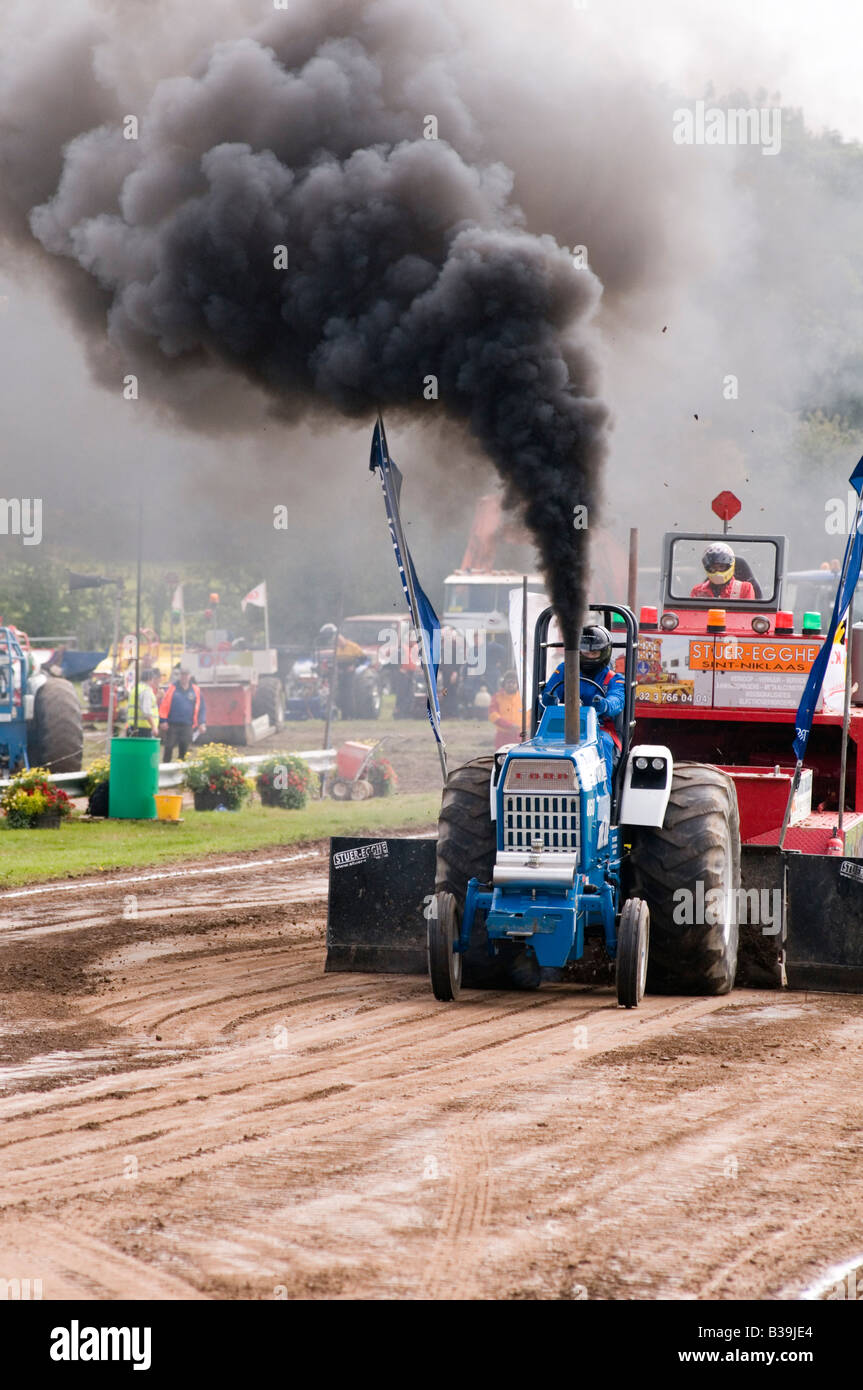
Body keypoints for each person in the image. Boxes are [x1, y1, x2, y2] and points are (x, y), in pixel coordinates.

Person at [541, 625, 625, 785]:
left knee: (604, 744)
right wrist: (549, 700)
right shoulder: (565, 669)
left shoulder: (614, 679)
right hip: (561, 726)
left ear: (604, 653)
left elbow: (617, 701)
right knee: (542, 746)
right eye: (586, 652)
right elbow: (548, 692)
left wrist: (605, 705)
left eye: (594, 653)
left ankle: (604, 795)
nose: (589, 656)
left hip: (599, 729)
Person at [159, 667, 206, 761]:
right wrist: (163, 720)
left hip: (188, 725)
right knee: (169, 747)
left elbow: (201, 708)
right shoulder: (172, 688)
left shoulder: (196, 690)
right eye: (182, 675)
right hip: (172, 724)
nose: (184, 677)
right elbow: (164, 704)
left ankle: (181, 770)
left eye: (186, 675)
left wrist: (202, 723)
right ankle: (166, 767)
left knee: (184, 748)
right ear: (180, 676)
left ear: (190, 676)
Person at [690, 542, 756, 600]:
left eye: (721, 567)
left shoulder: (745, 588)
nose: (717, 571)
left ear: (730, 566)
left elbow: (747, 613)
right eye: (713, 567)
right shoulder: (697, 591)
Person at [488, 670, 524, 750]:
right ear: (504, 684)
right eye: (508, 682)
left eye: (513, 682)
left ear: (517, 684)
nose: (511, 685)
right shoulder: (497, 697)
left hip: (521, 736)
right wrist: (509, 725)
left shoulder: (524, 698)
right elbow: (493, 716)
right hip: (503, 737)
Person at [130, 665, 161, 736]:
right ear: (151, 679)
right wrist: (154, 727)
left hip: (134, 727)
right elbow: (146, 711)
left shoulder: (136, 688)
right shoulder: (146, 691)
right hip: (144, 728)